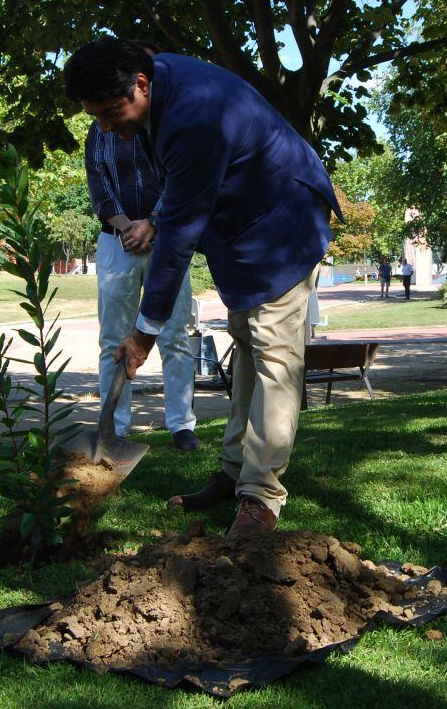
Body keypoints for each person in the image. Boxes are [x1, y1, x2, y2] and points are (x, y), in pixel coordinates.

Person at [64, 38, 343, 538]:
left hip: (282, 223)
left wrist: (145, 331)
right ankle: (236, 472)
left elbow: (177, 237)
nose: (105, 127)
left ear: (141, 84)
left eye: (110, 112)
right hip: (240, 226)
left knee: (276, 359)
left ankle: (261, 498)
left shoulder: (194, 116)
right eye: (96, 117)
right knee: (250, 349)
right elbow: (179, 194)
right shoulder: (159, 88)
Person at [84, 115, 199, 451]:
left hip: (166, 239)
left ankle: (182, 425)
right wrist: (128, 227)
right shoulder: (97, 132)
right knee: (113, 341)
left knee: (175, 334)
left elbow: (176, 180)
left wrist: (151, 222)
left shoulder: (161, 125)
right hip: (116, 242)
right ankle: (115, 428)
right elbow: (99, 188)